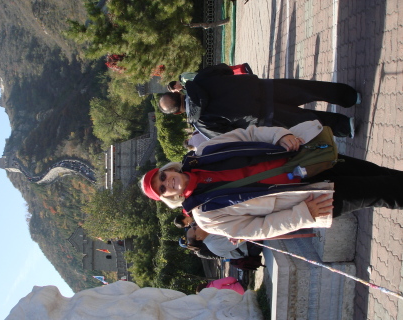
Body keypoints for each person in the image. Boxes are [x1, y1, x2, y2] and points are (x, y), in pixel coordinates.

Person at [140, 121, 403, 240]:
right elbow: (258, 229)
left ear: (167, 169)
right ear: (168, 198)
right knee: (383, 192)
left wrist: (279, 136)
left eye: (163, 176)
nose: (168, 183)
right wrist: (303, 214)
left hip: (308, 161)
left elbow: (248, 133)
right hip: (311, 196)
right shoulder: (206, 216)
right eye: (162, 189)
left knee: (379, 174)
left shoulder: (204, 154)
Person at [159, 63, 360, 139]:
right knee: (308, 89)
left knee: (308, 120)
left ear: (178, 113)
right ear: (178, 92)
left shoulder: (201, 123)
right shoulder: (199, 79)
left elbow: (231, 135)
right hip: (262, 87)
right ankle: (351, 96)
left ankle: (346, 127)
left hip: (263, 116)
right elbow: (226, 69)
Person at [185, 222, 262, 259]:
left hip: (246, 238)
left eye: (194, 226)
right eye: (195, 228)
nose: (197, 226)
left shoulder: (210, 233)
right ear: (198, 238)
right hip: (250, 247)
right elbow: (238, 240)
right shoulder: (213, 244)